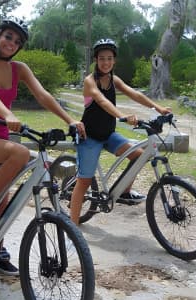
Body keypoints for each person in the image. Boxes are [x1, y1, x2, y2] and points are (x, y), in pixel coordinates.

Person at [0, 16, 86, 275]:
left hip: (1, 141)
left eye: (17, 41)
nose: (12, 43)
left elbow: (43, 95)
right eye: (8, 37)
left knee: (5, 200)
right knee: (19, 154)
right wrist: (7, 115)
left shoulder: (20, 68)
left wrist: (71, 119)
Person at [70, 38, 171, 225]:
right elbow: (101, 101)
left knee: (139, 156)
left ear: (114, 60)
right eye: (102, 58)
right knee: (84, 182)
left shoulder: (114, 79)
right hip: (89, 137)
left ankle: (124, 192)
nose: (106, 62)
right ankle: (71, 227)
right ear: (96, 60)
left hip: (108, 135)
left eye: (109, 58)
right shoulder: (90, 81)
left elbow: (135, 94)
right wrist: (122, 116)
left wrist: (158, 108)